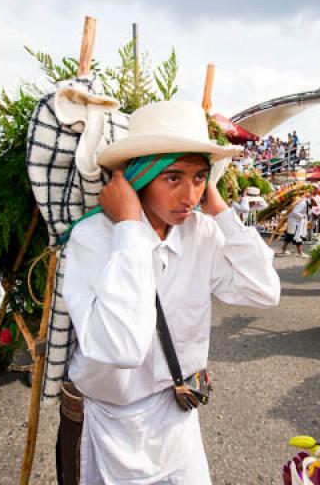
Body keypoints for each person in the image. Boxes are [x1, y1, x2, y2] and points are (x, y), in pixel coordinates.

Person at [61, 101, 280, 485]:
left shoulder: (202, 231)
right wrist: (128, 228)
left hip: (177, 412)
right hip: (111, 422)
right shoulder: (93, 238)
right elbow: (121, 348)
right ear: (139, 178)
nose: (189, 196)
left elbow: (264, 291)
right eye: (173, 178)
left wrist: (223, 213)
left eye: (199, 178)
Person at [280, 191, 311, 257]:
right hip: (294, 220)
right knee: (296, 236)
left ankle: (284, 249)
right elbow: (295, 212)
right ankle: (300, 253)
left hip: (295, 220)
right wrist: (302, 216)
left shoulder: (305, 202)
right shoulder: (303, 203)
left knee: (290, 235)